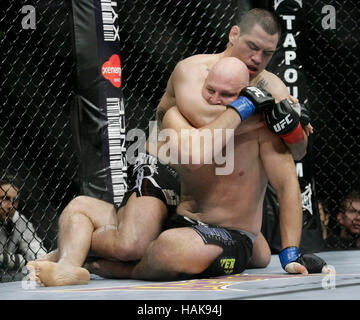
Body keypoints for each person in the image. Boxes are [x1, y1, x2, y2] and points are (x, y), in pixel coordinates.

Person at [27, 8, 312, 283]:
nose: (257, 58)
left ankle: (80, 245)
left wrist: (293, 128)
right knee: (131, 244)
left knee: (259, 253)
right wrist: (259, 112)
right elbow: (202, 121)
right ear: (233, 35)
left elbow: (297, 151)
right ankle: (78, 249)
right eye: (252, 46)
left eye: (267, 53)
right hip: (167, 164)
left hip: (209, 180)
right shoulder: (194, 71)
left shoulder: (271, 86)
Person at [0, 173, 47, 273]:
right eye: (5, 198)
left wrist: (46, 262)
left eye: (15, 200)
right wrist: (20, 261)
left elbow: (34, 246)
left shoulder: (18, 219)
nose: (11, 206)